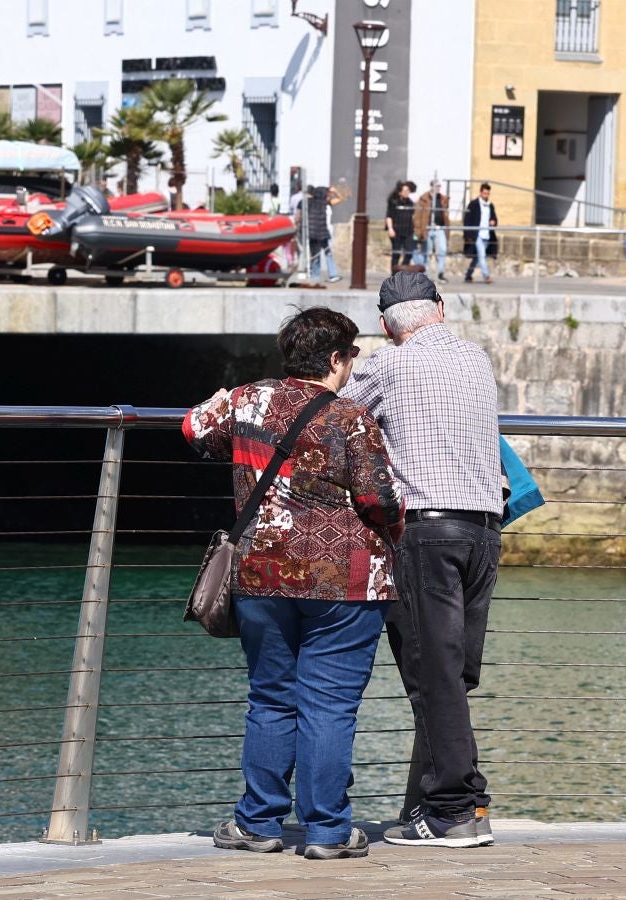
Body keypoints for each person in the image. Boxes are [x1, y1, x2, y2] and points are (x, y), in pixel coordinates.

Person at [185, 307, 405, 861]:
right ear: (334, 359)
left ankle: (257, 823)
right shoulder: (351, 418)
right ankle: (327, 832)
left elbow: (194, 428)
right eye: (350, 355)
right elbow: (380, 500)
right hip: (345, 584)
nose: (351, 364)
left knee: (271, 698)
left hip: (261, 574)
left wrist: (221, 397)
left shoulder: (247, 401)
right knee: (329, 705)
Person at [340, 271, 503, 850]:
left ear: (386, 326)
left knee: (433, 677)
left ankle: (456, 809)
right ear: (441, 308)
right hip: (484, 532)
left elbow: (332, 417)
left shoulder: (388, 365)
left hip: (426, 534)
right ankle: (435, 808)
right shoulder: (477, 359)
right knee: (452, 678)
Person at [301, 185, 342, 283]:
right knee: (328, 253)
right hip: (323, 232)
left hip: (312, 232)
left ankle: (315, 276)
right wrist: (335, 191)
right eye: (327, 194)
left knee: (315, 254)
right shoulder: (324, 203)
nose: (329, 196)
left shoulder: (310, 202)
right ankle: (333, 274)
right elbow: (340, 198)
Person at [412, 181, 449, 282]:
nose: (438, 188)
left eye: (440, 186)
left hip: (439, 228)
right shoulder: (424, 199)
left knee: (442, 250)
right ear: (431, 186)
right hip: (427, 228)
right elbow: (417, 216)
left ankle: (440, 273)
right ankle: (425, 274)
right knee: (427, 252)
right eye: (437, 186)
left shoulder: (442, 199)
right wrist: (418, 230)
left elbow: (445, 214)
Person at [463, 183, 498, 283]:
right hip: (477, 234)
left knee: (478, 257)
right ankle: (486, 276)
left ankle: (468, 275)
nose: (486, 195)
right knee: (482, 255)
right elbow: (467, 219)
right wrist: (468, 234)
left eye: (488, 193)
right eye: (484, 193)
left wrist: (493, 221)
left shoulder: (490, 205)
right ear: (481, 192)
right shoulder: (473, 204)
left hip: (487, 235)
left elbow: (494, 218)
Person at [386, 180, 416, 271]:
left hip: (408, 231)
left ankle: (402, 271)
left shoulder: (410, 202)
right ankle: (394, 273)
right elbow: (389, 216)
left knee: (409, 253)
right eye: (405, 191)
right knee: (396, 253)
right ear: (400, 192)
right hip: (396, 231)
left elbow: (413, 216)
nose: (407, 193)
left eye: (408, 191)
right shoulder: (394, 202)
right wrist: (390, 229)